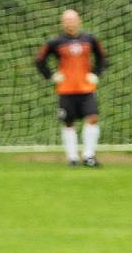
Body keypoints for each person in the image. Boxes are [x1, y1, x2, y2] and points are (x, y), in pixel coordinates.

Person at [35, 9, 107, 167]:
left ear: (79, 21)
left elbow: (102, 57)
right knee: (69, 123)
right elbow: (40, 60)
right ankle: (72, 157)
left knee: (93, 118)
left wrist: (96, 74)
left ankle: (89, 156)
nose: (70, 23)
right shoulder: (56, 42)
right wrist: (51, 76)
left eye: (72, 19)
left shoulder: (90, 39)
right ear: (63, 23)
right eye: (67, 20)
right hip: (66, 90)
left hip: (87, 89)